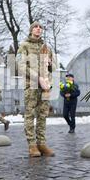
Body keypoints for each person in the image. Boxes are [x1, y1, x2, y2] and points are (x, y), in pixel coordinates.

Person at [17, 21, 56, 157]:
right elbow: (21, 66)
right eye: (36, 27)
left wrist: (50, 64)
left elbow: (54, 67)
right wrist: (37, 77)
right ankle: (32, 145)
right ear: (31, 30)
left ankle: (42, 144)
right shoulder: (24, 46)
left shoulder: (46, 47)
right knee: (30, 114)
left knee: (43, 115)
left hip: (45, 86)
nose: (38, 29)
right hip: (31, 85)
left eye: (41, 27)